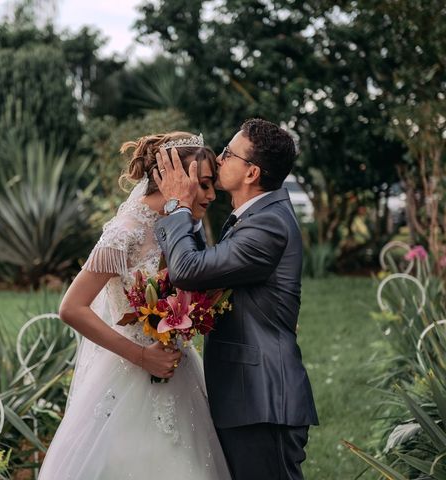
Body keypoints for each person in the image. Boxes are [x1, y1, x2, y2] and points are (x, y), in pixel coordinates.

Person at [37, 132, 231, 479]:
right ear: (173, 179)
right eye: (203, 184)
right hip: (128, 375)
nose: (212, 195)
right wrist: (142, 356)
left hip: (179, 371)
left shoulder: (185, 228)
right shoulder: (124, 232)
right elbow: (72, 306)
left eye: (212, 184)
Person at [153, 118, 319, 479]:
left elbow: (189, 270)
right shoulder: (254, 218)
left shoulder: (268, 225)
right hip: (248, 397)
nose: (220, 158)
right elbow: (205, 272)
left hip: (262, 401)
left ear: (251, 173)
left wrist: (178, 205)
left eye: (229, 154)